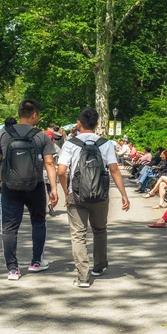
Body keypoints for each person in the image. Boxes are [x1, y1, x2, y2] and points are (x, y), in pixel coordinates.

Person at [57, 108, 130, 288]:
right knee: (100, 230)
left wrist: (66, 192)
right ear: (97, 124)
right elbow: (114, 170)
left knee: (78, 236)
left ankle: (83, 277)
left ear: (79, 124)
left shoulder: (70, 143)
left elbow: (61, 171)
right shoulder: (105, 144)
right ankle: (99, 266)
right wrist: (123, 194)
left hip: (77, 195)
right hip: (100, 195)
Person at [0, 99, 58, 280]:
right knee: (38, 222)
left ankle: (12, 269)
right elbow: (49, 163)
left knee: (10, 228)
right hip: (35, 186)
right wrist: (53, 189)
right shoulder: (42, 136)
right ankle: (36, 262)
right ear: (34, 114)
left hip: (10, 187)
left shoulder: (3, 134)